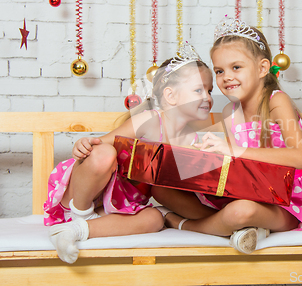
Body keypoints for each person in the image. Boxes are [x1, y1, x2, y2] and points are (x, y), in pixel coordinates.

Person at [152, 17, 302, 254]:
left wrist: (235, 150)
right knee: (161, 190)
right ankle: (242, 229)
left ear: (262, 68)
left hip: (287, 202)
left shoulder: (277, 101)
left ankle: (185, 224)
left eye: (236, 67)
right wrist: (185, 143)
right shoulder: (230, 112)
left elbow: (300, 158)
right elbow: (205, 145)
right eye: (220, 71)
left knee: (241, 212)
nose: (226, 77)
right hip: (247, 192)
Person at [45, 42, 214, 263]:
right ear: (171, 96)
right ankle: (80, 215)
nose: (208, 97)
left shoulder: (191, 140)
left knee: (154, 218)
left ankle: (74, 231)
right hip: (86, 192)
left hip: (118, 206)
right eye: (199, 90)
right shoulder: (151, 120)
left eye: (210, 91)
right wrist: (83, 143)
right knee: (104, 153)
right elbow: (100, 144)